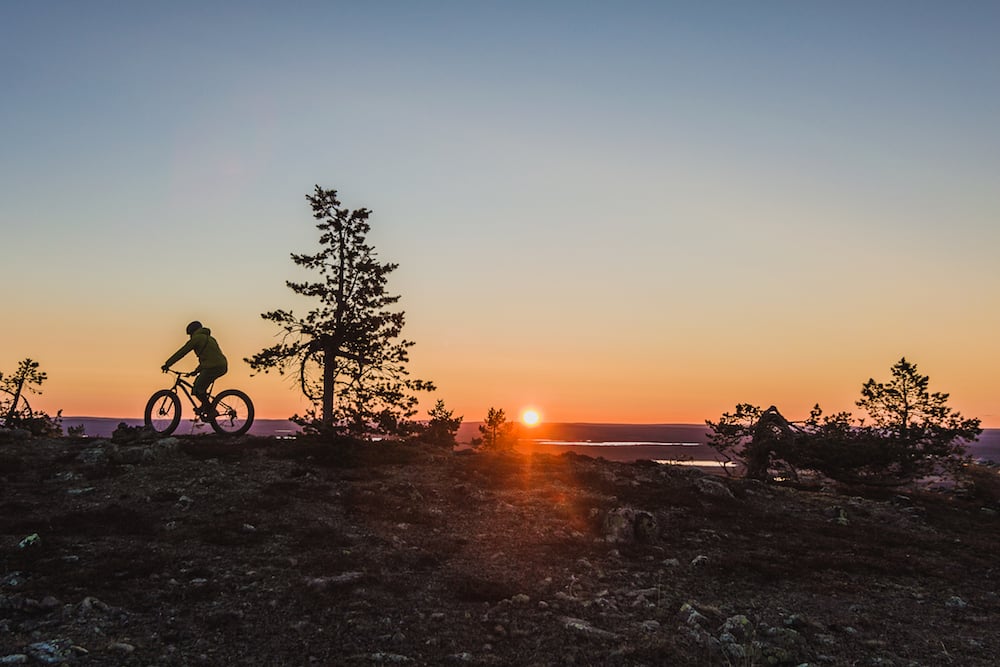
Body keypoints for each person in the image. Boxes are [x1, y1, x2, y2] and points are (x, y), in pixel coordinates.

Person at [162, 321, 228, 415]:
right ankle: (205, 406)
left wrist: (168, 364)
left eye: (190, 334)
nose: (190, 337)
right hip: (221, 366)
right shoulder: (211, 339)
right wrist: (196, 371)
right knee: (201, 387)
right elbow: (209, 358)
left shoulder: (196, 339)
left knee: (197, 389)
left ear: (193, 332)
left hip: (213, 367)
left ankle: (211, 410)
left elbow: (182, 352)